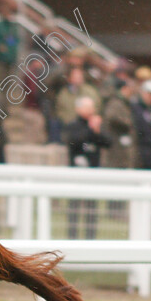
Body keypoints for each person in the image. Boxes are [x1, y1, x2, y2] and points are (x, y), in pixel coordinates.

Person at [64, 97, 112, 239]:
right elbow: (73, 141)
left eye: (92, 107)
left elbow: (108, 142)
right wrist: (90, 130)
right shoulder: (73, 125)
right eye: (87, 107)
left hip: (93, 173)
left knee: (92, 209)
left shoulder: (96, 126)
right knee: (74, 207)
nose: (91, 111)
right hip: (76, 173)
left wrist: (97, 131)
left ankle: (90, 237)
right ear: (78, 109)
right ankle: (72, 237)